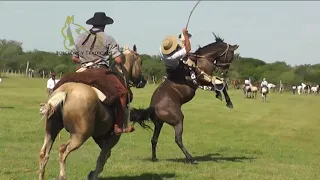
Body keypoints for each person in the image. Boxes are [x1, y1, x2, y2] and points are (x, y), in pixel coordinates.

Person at [71, 12, 134, 135]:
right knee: (123, 93)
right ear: (104, 25)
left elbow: (74, 58)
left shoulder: (80, 37)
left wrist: (85, 61)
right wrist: (119, 52)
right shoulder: (108, 38)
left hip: (82, 70)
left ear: (93, 23)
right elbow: (118, 60)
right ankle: (118, 126)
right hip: (100, 71)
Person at [159, 28, 223, 85]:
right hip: (176, 67)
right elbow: (188, 48)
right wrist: (185, 35)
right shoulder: (173, 56)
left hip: (168, 66)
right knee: (191, 64)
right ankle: (196, 78)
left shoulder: (161, 49)